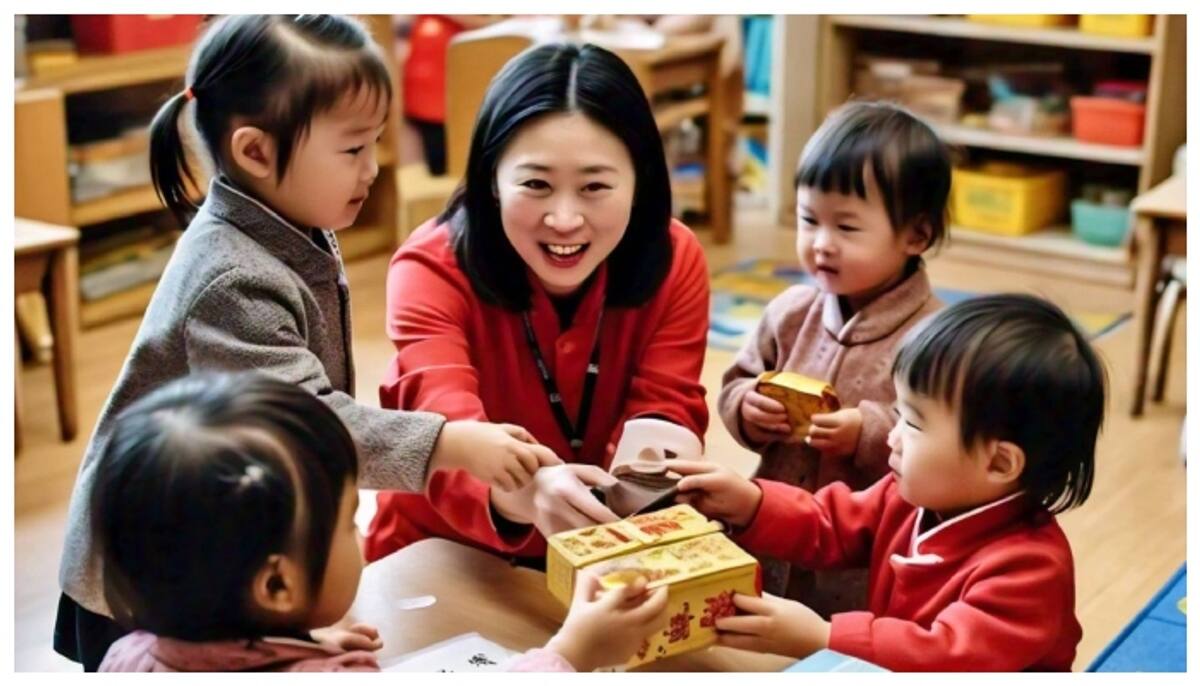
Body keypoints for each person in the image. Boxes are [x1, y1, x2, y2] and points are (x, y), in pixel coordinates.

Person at [55, 15, 558, 671]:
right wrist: (449, 443)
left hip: (222, 546)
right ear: (256, 151)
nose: (374, 168)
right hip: (154, 572)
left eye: (376, 143)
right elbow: (309, 427)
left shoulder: (284, 220)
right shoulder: (234, 278)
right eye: (353, 150)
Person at [366, 42, 711, 564]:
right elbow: (444, 424)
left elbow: (666, 404)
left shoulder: (675, 255)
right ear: (491, 181)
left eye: (595, 186)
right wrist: (527, 492)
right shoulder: (429, 267)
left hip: (606, 550)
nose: (565, 219)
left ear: (640, 181)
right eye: (536, 184)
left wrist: (646, 486)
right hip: (444, 553)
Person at [93, 373, 669, 672]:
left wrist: (291, 644)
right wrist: (572, 651)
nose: (363, 536)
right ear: (275, 585)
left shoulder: (131, 655)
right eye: (348, 523)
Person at [671, 294, 1105, 671]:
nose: (892, 437)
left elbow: (945, 658)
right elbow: (829, 523)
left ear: (999, 462)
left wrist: (824, 637)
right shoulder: (909, 495)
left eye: (912, 423)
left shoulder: (1030, 569)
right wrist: (751, 503)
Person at [717, 100, 951, 613]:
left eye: (847, 228)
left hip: (859, 564)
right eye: (808, 220)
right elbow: (737, 382)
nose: (821, 244)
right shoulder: (791, 311)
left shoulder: (935, 339)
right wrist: (747, 407)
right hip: (767, 529)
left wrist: (866, 432)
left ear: (916, 234)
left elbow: (945, 448)